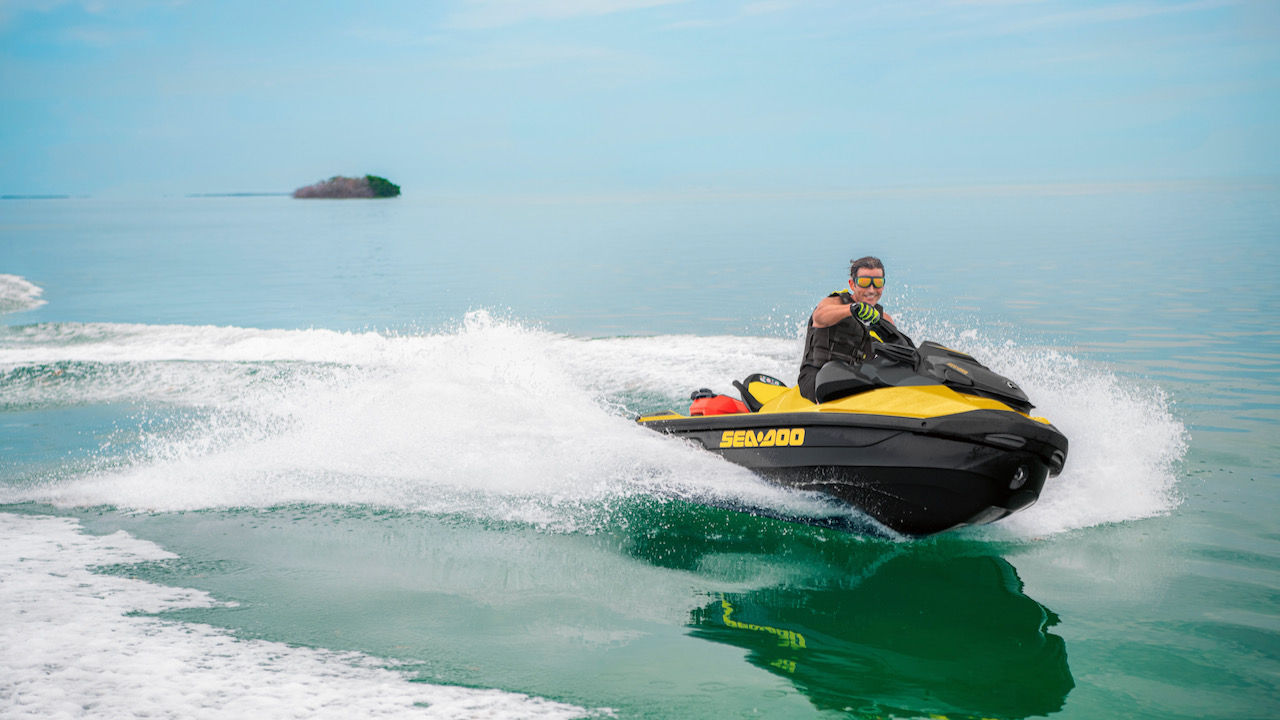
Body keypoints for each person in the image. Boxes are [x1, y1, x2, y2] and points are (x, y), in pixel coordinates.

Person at [796, 256, 898, 402]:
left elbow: (899, 350)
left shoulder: (885, 320)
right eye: (864, 282)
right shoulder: (835, 302)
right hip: (817, 376)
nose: (871, 289)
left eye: (877, 283)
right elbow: (819, 317)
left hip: (854, 380)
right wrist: (851, 309)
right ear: (852, 284)